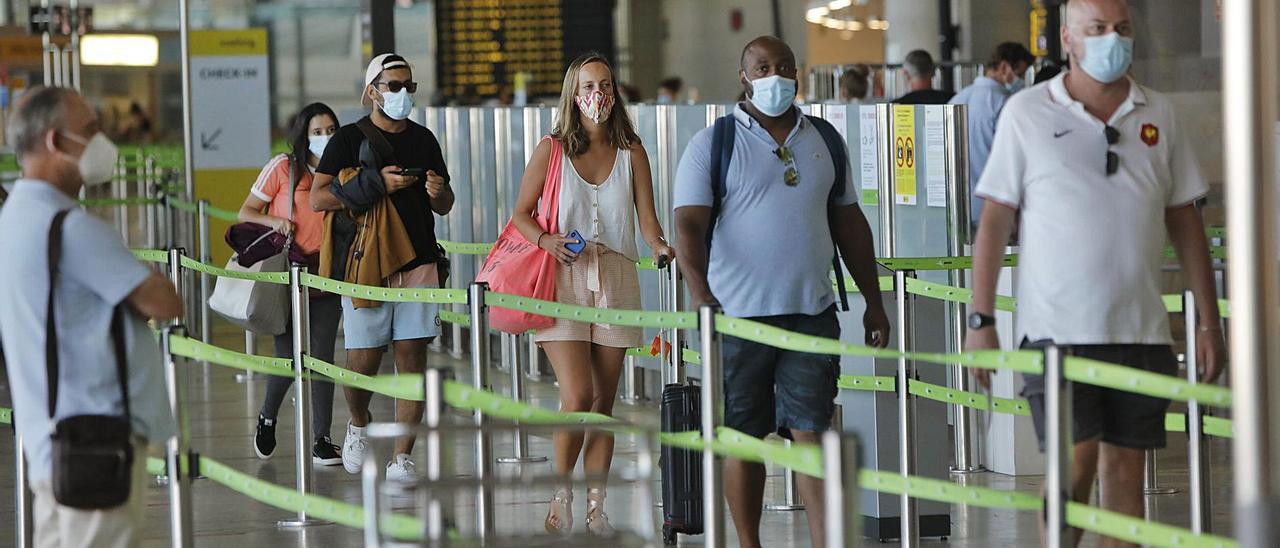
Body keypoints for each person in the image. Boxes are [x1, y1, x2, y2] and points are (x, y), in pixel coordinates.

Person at [964, 1, 1223, 546]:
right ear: (1067, 38)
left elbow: (1185, 220)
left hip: (1140, 333)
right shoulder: (1029, 112)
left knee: (1126, 483)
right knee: (1072, 473)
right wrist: (980, 318)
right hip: (1058, 335)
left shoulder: (1160, 113)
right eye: (1098, 29)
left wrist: (1208, 321)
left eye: (1122, 29)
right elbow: (993, 221)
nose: (1113, 39)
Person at [673, 36, 891, 548]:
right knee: (744, 440)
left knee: (812, 433)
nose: (777, 75)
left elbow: (850, 225)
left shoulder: (825, 140)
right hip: (738, 319)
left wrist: (874, 302)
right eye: (763, 66)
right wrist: (700, 293)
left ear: (799, 73)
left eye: (785, 66)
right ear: (744, 74)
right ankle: (749, 542)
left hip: (810, 312)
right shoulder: (713, 143)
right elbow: (687, 227)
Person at [0, 86, 183, 547]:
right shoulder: (72, 229)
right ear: (55, 142)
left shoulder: (14, 217)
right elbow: (165, 302)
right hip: (96, 439)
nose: (103, 143)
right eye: (90, 131)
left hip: (51, 437)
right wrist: (141, 274)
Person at [511, 53, 674, 538]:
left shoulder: (632, 151)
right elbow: (520, 213)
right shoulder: (552, 148)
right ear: (572, 93)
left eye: (605, 85)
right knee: (577, 394)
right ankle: (561, 495)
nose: (597, 95)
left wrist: (663, 247)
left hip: (618, 276)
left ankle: (596, 507)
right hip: (562, 276)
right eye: (588, 86)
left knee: (603, 402)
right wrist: (546, 241)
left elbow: (648, 222)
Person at [310, 53, 456, 483]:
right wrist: (377, 185)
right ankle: (358, 422)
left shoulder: (425, 139)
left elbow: (445, 205)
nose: (402, 94)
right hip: (366, 263)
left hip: (419, 259)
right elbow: (319, 197)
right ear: (373, 89)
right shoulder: (349, 138)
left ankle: (402, 456)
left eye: (408, 86)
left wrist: (437, 190)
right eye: (393, 86)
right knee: (364, 360)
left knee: (412, 359)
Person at [238, 103, 343, 465]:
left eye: (331, 129)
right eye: (317, 131)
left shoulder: (343, 171)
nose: (325, 137)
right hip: (288, 272)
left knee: (323, 356)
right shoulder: (283, 167)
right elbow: (247, 210)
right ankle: (268, 417)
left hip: (328, 272)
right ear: (303, 135)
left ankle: (322, 438)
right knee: (287, 355)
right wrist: (274, 224)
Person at [949, 42, 1034, 224]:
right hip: (994, 211)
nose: (1021, 81)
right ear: (1004, 67)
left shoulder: (957, 99)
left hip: (956, 210)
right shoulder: (1006, 105)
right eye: (1019, 74)